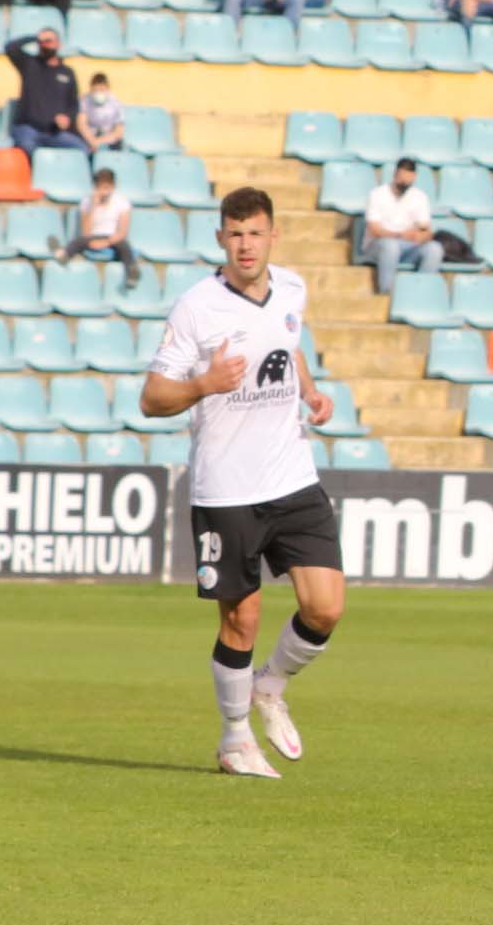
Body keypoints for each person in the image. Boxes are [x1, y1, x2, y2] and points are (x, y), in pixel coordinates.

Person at [140, 185, 345, 781]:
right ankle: (234, 740)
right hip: (227, 488)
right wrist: (203, 384)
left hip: (292, 476)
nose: (246, 244)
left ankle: (270, 686)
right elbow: (152, 398)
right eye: (235, 234)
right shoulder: (196, 307)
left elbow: (289, 343)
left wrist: (310, 391)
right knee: (242, 621)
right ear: (220, 239)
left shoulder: (292, 288)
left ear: (273, 235)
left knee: (325, 607)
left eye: (255, 233)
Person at [362, 158, 443, 295]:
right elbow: (374, 229)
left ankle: (420, 294)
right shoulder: (377, 194)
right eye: (402, 180)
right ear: (395, 174)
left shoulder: (420, 197)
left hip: (408, 247)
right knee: (391, 246)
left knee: (434, 249)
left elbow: (426, 230)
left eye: (408, 181)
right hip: (378, 245)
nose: (404, 184)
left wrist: (419, 236)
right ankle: (387, 293)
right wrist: (399, 235)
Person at [52, 165, 140, 288]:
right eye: (100, 187)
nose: (103, 191)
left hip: (112, 237)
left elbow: (122, 232)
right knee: (79, 241)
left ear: (113, 187)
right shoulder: (86, 202)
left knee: (124, 245)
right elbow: (86, 232)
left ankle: (132, 272)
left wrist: (105, 243)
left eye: (106, 187)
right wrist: (93, 206)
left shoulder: (122, 202)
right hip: (92, 237)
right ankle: (64, 255)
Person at [4, 30, 88, 156]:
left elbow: (73, 104)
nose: (45, 44)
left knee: (81, 148)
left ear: (58, 44)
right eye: (42, 42)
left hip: (54, 132)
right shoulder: (29, 64)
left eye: (49, 41)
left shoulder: (67, 73)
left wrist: (67, 118)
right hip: (28, 129)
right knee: (28, 147)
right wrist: (34, 37)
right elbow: (10, 48)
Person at [77, 73, 125, 154]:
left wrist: (98, 141)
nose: (98, 93)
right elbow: (81, 124)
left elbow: (118, 132)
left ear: (107, 88)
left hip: (108, 138)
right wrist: (92, 141)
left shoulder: (116, 103)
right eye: (95, 90)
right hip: (89, 137)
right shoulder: (85, 101)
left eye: (101, 90)